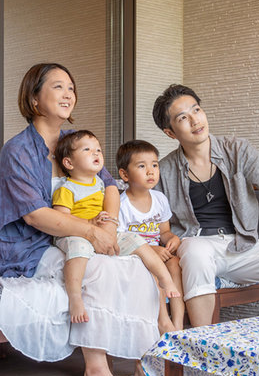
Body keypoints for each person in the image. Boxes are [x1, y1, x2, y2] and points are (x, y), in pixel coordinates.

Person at [0, 63, 160, 376]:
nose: (68, 94)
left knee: (135, 265)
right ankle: (96, 372)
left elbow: (110, 187)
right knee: (97, 269)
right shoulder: (18, 150)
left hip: (77, 238)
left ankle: (145, 359)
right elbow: (36, 216)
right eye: (57, 87)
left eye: (71, 87)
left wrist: (108, 227)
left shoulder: (77, 142)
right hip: (30, 248)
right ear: (34, 99)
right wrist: (91, 233)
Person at [152, 84, 259, 326]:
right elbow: (147, 214)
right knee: (194, 249)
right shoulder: (163, 171)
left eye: (197, 110)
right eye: (183, 117)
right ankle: (204, 346)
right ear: (170, 132)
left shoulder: (236, 150)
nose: (195, 120)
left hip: (244, 246)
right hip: (199, 250)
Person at [51, 130, 180, 325]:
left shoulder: (101, 186)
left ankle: (165, 280)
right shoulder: (66, 189)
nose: (96, 153)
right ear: (69, 163)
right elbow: (61, 219)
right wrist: (89, 224)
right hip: (75, 233)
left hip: (103, 232)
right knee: (78, 250)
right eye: (87, 150)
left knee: (135, 240)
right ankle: (75, 297)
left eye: (98, 150)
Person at [116, 139, 185, 331]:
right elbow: (121, 241)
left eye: (154, 165)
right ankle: (163, 321)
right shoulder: (121, 204)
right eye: (141, 166)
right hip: (136, 257)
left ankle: (178, 326)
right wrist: (152, 250)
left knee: (175, 265)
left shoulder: (160, 199)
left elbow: (163, 231)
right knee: (154, 274)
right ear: (125, 174)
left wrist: (171, 238)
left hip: (158, 253)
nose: (151, 171)